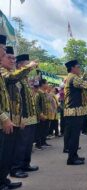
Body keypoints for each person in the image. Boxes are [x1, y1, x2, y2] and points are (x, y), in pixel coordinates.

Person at [10, 54, 39, 178]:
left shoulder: (25, 80)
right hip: (22, 118)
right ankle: (16, 168)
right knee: (20, 144)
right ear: (20, 65)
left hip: (30, 118)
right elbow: (16, 100)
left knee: (28, 144)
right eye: (27, 64)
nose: (30, 66)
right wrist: (20, 117)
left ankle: (26, 164)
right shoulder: (16, 78)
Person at [0, 35, 22, 190]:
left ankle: (3, 180)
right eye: (2, 50)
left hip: (6, 118)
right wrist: (4, 118)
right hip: (3, 118)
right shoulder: (4, 73)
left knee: (6, 153)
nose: (11, 60)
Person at [35, 79, 51, 149]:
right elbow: (36, 105)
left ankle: (43, 142)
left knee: (44, 129)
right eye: (46, 83)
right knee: (39, 130)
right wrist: (40, 114)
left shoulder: (44, 93)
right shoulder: (38, 93)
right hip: (40, 115)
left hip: (46, 115)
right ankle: (38, 144)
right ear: (42, 84)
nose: (47, 85)